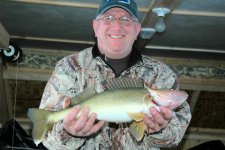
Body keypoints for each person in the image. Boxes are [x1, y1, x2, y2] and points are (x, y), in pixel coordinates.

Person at [39, 0, 191, 149]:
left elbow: (175, 136)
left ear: (137, 29)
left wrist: (159, 131)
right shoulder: (69, 67)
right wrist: (70, 133)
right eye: (109, 18)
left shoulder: (162, 74)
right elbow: (48, 140)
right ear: (95, 26)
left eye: (126, 19)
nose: (117, 25)